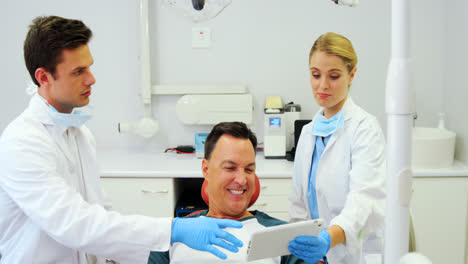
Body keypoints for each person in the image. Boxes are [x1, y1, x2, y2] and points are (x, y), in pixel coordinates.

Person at [0, 16, 243, 264]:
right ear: (43, 77)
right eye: (78, 71)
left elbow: (100, 213)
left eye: (89, 67)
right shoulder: (22, 142)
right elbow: (75, 224)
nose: (91, 79)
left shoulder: (79, 133)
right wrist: (172, 230)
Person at [288, 32, 386, 264]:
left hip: (357, 253)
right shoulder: (308, 132)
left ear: (351, 75)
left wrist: (328, 240)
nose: (322, 85)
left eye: (333, 76)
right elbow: (299, 203)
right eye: (315, 75)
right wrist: (308, 248)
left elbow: (363, 199)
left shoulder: (365, 129)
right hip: (320, 256)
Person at [148, 122, 306, 264]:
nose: (242, 180)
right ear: (206, 169)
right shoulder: (173, 234)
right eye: (230, 168)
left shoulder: (281, 235)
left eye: (249, 169)